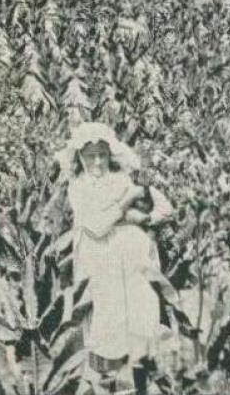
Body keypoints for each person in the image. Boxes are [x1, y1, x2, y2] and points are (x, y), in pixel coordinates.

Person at [57, 122, 172, 394]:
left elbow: (165, 207)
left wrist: (145, 219)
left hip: (132, 261)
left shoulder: (124, 179)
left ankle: (139, 385)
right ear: (80, 159)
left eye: (102, 155)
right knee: (106, 324)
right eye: (91, 156)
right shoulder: (79, 187)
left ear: (111, 155)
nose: (97, 161)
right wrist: (126, 203)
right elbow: (97, 225)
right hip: (100, 262)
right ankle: (107, 387)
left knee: (139, 318)